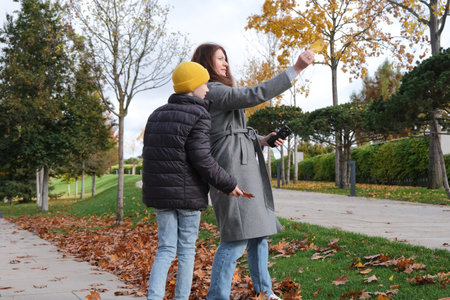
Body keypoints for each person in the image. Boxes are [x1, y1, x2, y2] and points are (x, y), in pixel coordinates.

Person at [192, 43, 314, 300]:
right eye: (220, 59)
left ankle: (265, 292)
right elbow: (254, 95)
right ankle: (217, 296)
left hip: (244, 164)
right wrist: (296, 69)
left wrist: (261, 140)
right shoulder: (213, 90)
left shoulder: (219, 91)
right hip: (231, 169)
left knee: (259, 233)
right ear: (206, 63)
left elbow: (232, 134)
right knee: (236, 237)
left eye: (226, 59)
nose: (225, 64)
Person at [141, 61, 244, 300]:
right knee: (186, 251)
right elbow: (202, 158)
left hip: (160, 195)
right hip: (188, 197)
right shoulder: (198, 114)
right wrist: (228, 183)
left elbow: (150, 156)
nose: (207, 89)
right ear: (192, 86)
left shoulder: (156, 114)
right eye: (204, 83)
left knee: (165, 249)